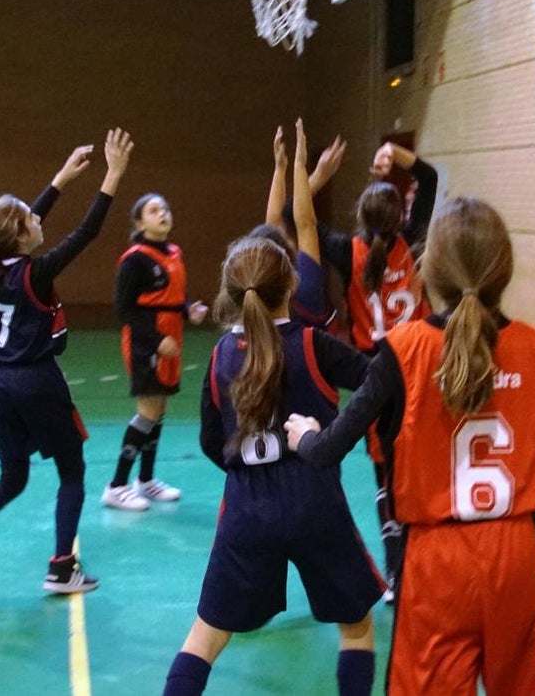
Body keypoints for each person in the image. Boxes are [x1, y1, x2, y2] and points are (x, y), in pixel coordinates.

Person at [286, 197, 535, 696]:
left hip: (439, 560)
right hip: (519, 552)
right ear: (504, 270)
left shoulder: (405, 348)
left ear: (428, 270)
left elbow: (327, 449)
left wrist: (305, 433)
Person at [163, 236, 384, 696]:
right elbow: (377, 384)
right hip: (317, 504)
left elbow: (211, 442)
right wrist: (332, 434)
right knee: (357, 628)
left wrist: (252, 477)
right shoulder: (312, 345)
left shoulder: (222, 357)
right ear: (292, 286)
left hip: (248, 509)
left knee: (204, 637)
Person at [0, 129, 133, 605]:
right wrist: (112, 175)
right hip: (37, 382)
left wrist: (60, 178)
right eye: (29, 220)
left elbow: (23, 220)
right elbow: (88, 232)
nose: (39, 221)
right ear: (20, 233)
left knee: (12, 477)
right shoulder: (35, 272)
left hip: (0, 384)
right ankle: (62, 567)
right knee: (73, 472)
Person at [316, 139, 438, 599]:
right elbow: (428, 178)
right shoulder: (415, 241)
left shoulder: (348, 252)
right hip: (421, 365)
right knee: (421, 465)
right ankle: (427, 562)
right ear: (403, 217)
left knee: (384, 475)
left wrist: (320, 176)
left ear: (361, 219)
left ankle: (396, 574)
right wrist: (393, 153)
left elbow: (295, 215)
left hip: (375, 372)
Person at [103, 192, 208, 511]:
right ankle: (117, 485)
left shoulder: (174, 253)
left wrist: (189, 309)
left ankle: (145, 480)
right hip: (145, 341)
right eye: (153, 210)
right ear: (139, 222)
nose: (162, 213)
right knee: (148, 409)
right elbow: (124, 310)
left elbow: (177, 294)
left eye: (165, 208)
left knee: (159, 409)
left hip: (170, 335)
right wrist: (154, 339)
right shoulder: (134, 259)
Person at [260, 119, 345, 329]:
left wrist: (281, 168)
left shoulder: (262, 291)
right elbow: (305, 223)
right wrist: (300, 165)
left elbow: (273, 224)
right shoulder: (305, 289)